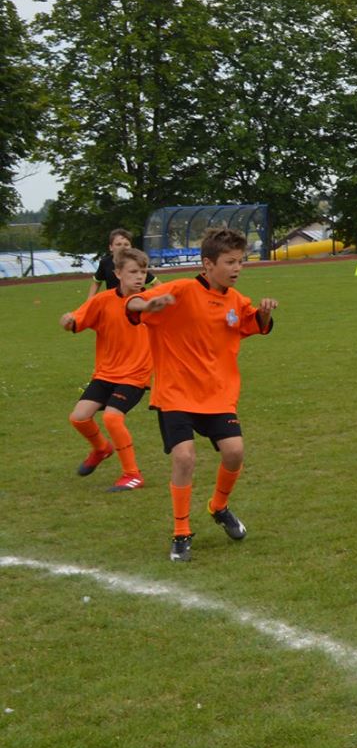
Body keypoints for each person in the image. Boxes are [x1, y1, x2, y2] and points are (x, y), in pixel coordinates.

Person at [125, 227, 276, 562]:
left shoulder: (236, 300)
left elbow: (253, 323)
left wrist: (264, 313)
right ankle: (181, 532)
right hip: (176, 393)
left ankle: (218, 507)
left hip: (217, 394)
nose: (237, 268)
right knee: (184, 458)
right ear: (208, 264)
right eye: (230, 262)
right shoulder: (180, 290)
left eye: (240, 261)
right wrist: (149, 303)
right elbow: (132, 303)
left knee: (235, 452)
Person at [62, 245, 152, 490]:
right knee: (79, 418)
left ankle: (132, 474)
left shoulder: (150, 303)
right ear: (118, 273)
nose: (139, 277)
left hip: (135, 375)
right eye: (133, 272)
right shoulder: (102, 301)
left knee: (112, 417)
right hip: (105, 373)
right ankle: (101, 449)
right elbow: (75, 321)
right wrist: (67, 321)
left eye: (143, 272)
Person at [91, 227, 137, 294]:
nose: (123, 247)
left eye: (126, 244)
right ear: (111, 247)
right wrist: (90, 299)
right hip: (112, 299)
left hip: (132, 299)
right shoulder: (105, 263)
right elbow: (96, 283)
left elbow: (153, 282)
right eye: (118, 244)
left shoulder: (136, 263)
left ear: (131, 247)